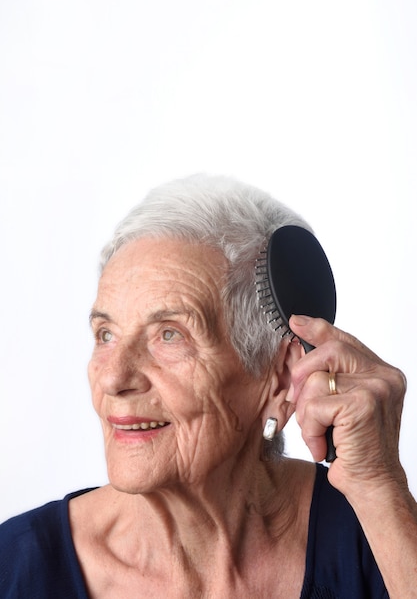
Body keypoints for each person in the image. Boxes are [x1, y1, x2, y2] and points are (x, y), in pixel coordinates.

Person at [1, 175, 416, 599]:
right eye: (106, 334)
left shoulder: (374, 536)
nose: (112, 378)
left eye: (169, 335)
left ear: (280, 379)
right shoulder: (15, 568)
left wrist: (381, 489)